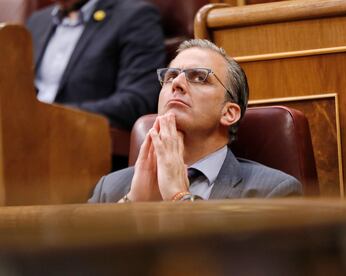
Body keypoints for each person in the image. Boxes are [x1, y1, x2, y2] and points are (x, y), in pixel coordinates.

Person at [88, 39, 302, 203]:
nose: (177, 83)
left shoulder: (273, 192)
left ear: (229, 113)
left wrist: (179, 197)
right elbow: (82, 260)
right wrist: (133, 202)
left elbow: (243, 261)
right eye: (170, 76)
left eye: (199, 77)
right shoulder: (110, 188)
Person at [27, 0, 165, 130]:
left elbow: (136, 101)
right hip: (21, 130)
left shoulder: (135, 16)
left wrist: (54, 115)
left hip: (80, 139)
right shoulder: (37, 20)